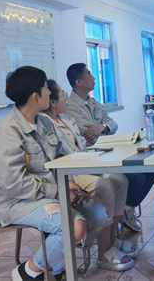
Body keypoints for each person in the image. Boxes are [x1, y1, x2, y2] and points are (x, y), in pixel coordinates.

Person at [0, 66, 87, 280]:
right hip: (16, 202)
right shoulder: (7, 132)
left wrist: (69, 184)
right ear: (35, 96)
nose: (49, 92)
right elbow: (14, 184)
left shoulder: (44, 121)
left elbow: (60, 158)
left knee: (94, 210)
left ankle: (54, 270)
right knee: (72, 227)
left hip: (42, 195)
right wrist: (57, 192)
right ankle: (28, 272)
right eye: (45, 88)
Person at [39, 80, 136, 271]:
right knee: (104, 186)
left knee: (120, 180)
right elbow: (56, 158)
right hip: (69, 172)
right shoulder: (45, 124)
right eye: (63, 94)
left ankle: (112, 240)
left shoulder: (66, 119)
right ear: (53, 102)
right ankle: (103, 252)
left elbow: (82, 145)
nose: (66, 97)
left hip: (83, 163)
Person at [65, 62, 154, 233]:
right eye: (89, 74)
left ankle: (127, 207)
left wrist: (101, 127)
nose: (94, 78)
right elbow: (87, 133)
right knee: (135, 178)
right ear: (78, 82)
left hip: (108, 151)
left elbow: (112, 124)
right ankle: (123, 210)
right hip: (92, 157)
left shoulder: (93, 102)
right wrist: (100, 129)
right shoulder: (70, 107)